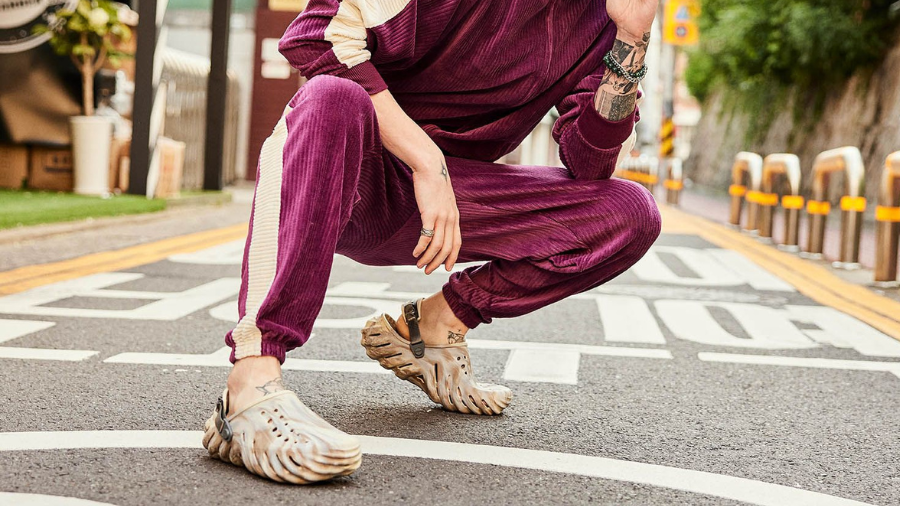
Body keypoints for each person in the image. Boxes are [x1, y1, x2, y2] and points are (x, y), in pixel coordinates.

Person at [203, 0, 662, 484]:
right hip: (350, 171)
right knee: (330, 96)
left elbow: (590, 162)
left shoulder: (603, 17)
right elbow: (316, 36)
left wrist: (631, 37)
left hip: (451, 209)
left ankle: (432, 329)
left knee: (627, 214)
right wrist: (427, 162)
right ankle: (249, 386)